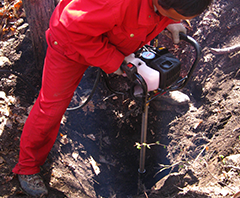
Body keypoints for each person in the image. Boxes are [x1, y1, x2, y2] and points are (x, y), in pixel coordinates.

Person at [13, 0, 212, 196]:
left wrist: (170, 21)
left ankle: (151, 91)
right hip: (71, 44)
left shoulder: (160, 8)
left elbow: (160, 12)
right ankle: (28, 166)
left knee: (149, 66)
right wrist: (113, 60)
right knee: (51, 107)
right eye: (173, 15)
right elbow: (70, 29)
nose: (175, 19)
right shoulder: (115, 3)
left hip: (122, 33)